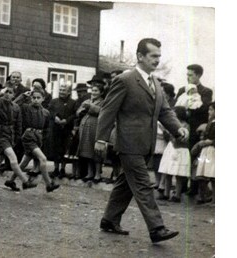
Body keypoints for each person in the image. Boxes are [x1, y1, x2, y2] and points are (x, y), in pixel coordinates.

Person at [95, 38, 189, 243]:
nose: (157, 60)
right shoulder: (125, 79)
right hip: (128, 143)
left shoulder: (155, 83)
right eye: (153, 56)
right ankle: (156, 228)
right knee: (144, 184)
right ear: (140, 56)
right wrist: (101, 139)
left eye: (159, 56)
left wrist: (178, 128)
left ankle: (109, 220)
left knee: (126, 184)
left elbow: (164, 111)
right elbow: (108, 110)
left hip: (146, 144)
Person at [0, 87, 37, 194]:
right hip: (0, 134)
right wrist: (0, 93)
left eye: (10, 92)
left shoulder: (15, 107)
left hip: (9, 135)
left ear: (13, 95)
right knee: (13, 157)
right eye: (6, 92)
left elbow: (18, 125)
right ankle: (25, 181)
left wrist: (15, 139)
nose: (7, 94)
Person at [4, 88, 60, 193]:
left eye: (38, 98)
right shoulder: (26, 108)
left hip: (38, 138)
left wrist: (43, 138)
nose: (36, 100)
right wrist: (24, 96)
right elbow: (14, 104)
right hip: (28, 137)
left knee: (24, 162)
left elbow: (47, 128)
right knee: (43, 159)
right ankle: (49, 184)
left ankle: (10, 180)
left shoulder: (45, 112)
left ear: (43, 99)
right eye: (34, 98)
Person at [157, 107, 190, 203]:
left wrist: (174, 135)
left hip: (180, 149)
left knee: (178, 174)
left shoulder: (185, 126)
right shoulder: (173, 126)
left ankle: (177, 195)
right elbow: (168, 138)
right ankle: (166, 193)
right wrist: (165, 132)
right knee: (168, 171)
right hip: (171, 148)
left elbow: (182, 139)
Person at [46, 84, 77, 178]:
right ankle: (56, 169)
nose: (62, 91)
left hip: (67, 129)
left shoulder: (73, 102)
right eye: (60, 89)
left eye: (64, 90)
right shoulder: (54, 101)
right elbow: (49, 111)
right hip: (55, 129)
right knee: (55, 148)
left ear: (69, 92)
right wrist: (54, 116)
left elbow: (75, 114)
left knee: (64, 149)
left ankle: (63, 169)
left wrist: (66, 121)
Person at [76, 83, 104, 183]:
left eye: (96, 91)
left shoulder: (103, 102)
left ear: (101, 92)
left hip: (95, 128)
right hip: (85, 128)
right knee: (87, 150)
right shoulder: (86, 101)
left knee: (96, 151)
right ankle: (90, 172)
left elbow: (103, 112)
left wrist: (90, 107)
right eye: (92, 90)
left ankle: (97, 174)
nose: (93, 92)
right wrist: (81, 110)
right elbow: (78, 112)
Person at [192, 102, 214, 205]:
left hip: (213, 150)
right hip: (207, 150)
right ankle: (204, 196)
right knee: (202, 175)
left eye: (211, 109)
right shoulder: (210, 122)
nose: (209, 112)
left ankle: (214, 198)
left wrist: (210, 141)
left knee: (213, 175)